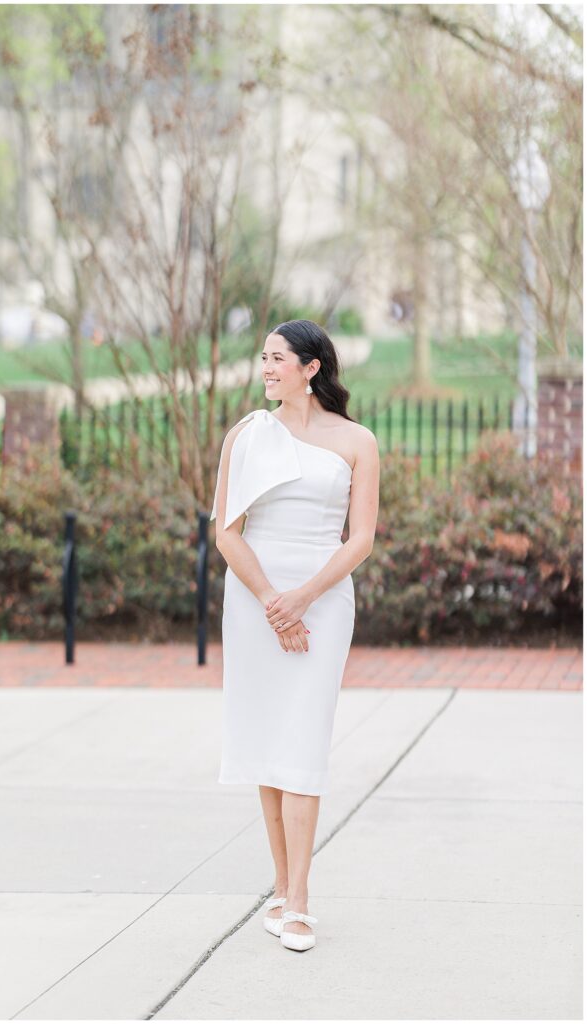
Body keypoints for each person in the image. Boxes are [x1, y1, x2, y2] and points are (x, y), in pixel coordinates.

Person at [210, 318, 380, 952]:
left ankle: (302, 898)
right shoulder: (245, 437)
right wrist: (269, 601)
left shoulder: (358, 441)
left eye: (278, 359)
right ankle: (280, 886)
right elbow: (228, 531)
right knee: (266, 739)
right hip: (255, 596)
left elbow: (359, 539)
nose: (266, 368)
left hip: (323, 597)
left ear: (312, 368)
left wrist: (302, 599)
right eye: (263, 358)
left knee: (304, 738)